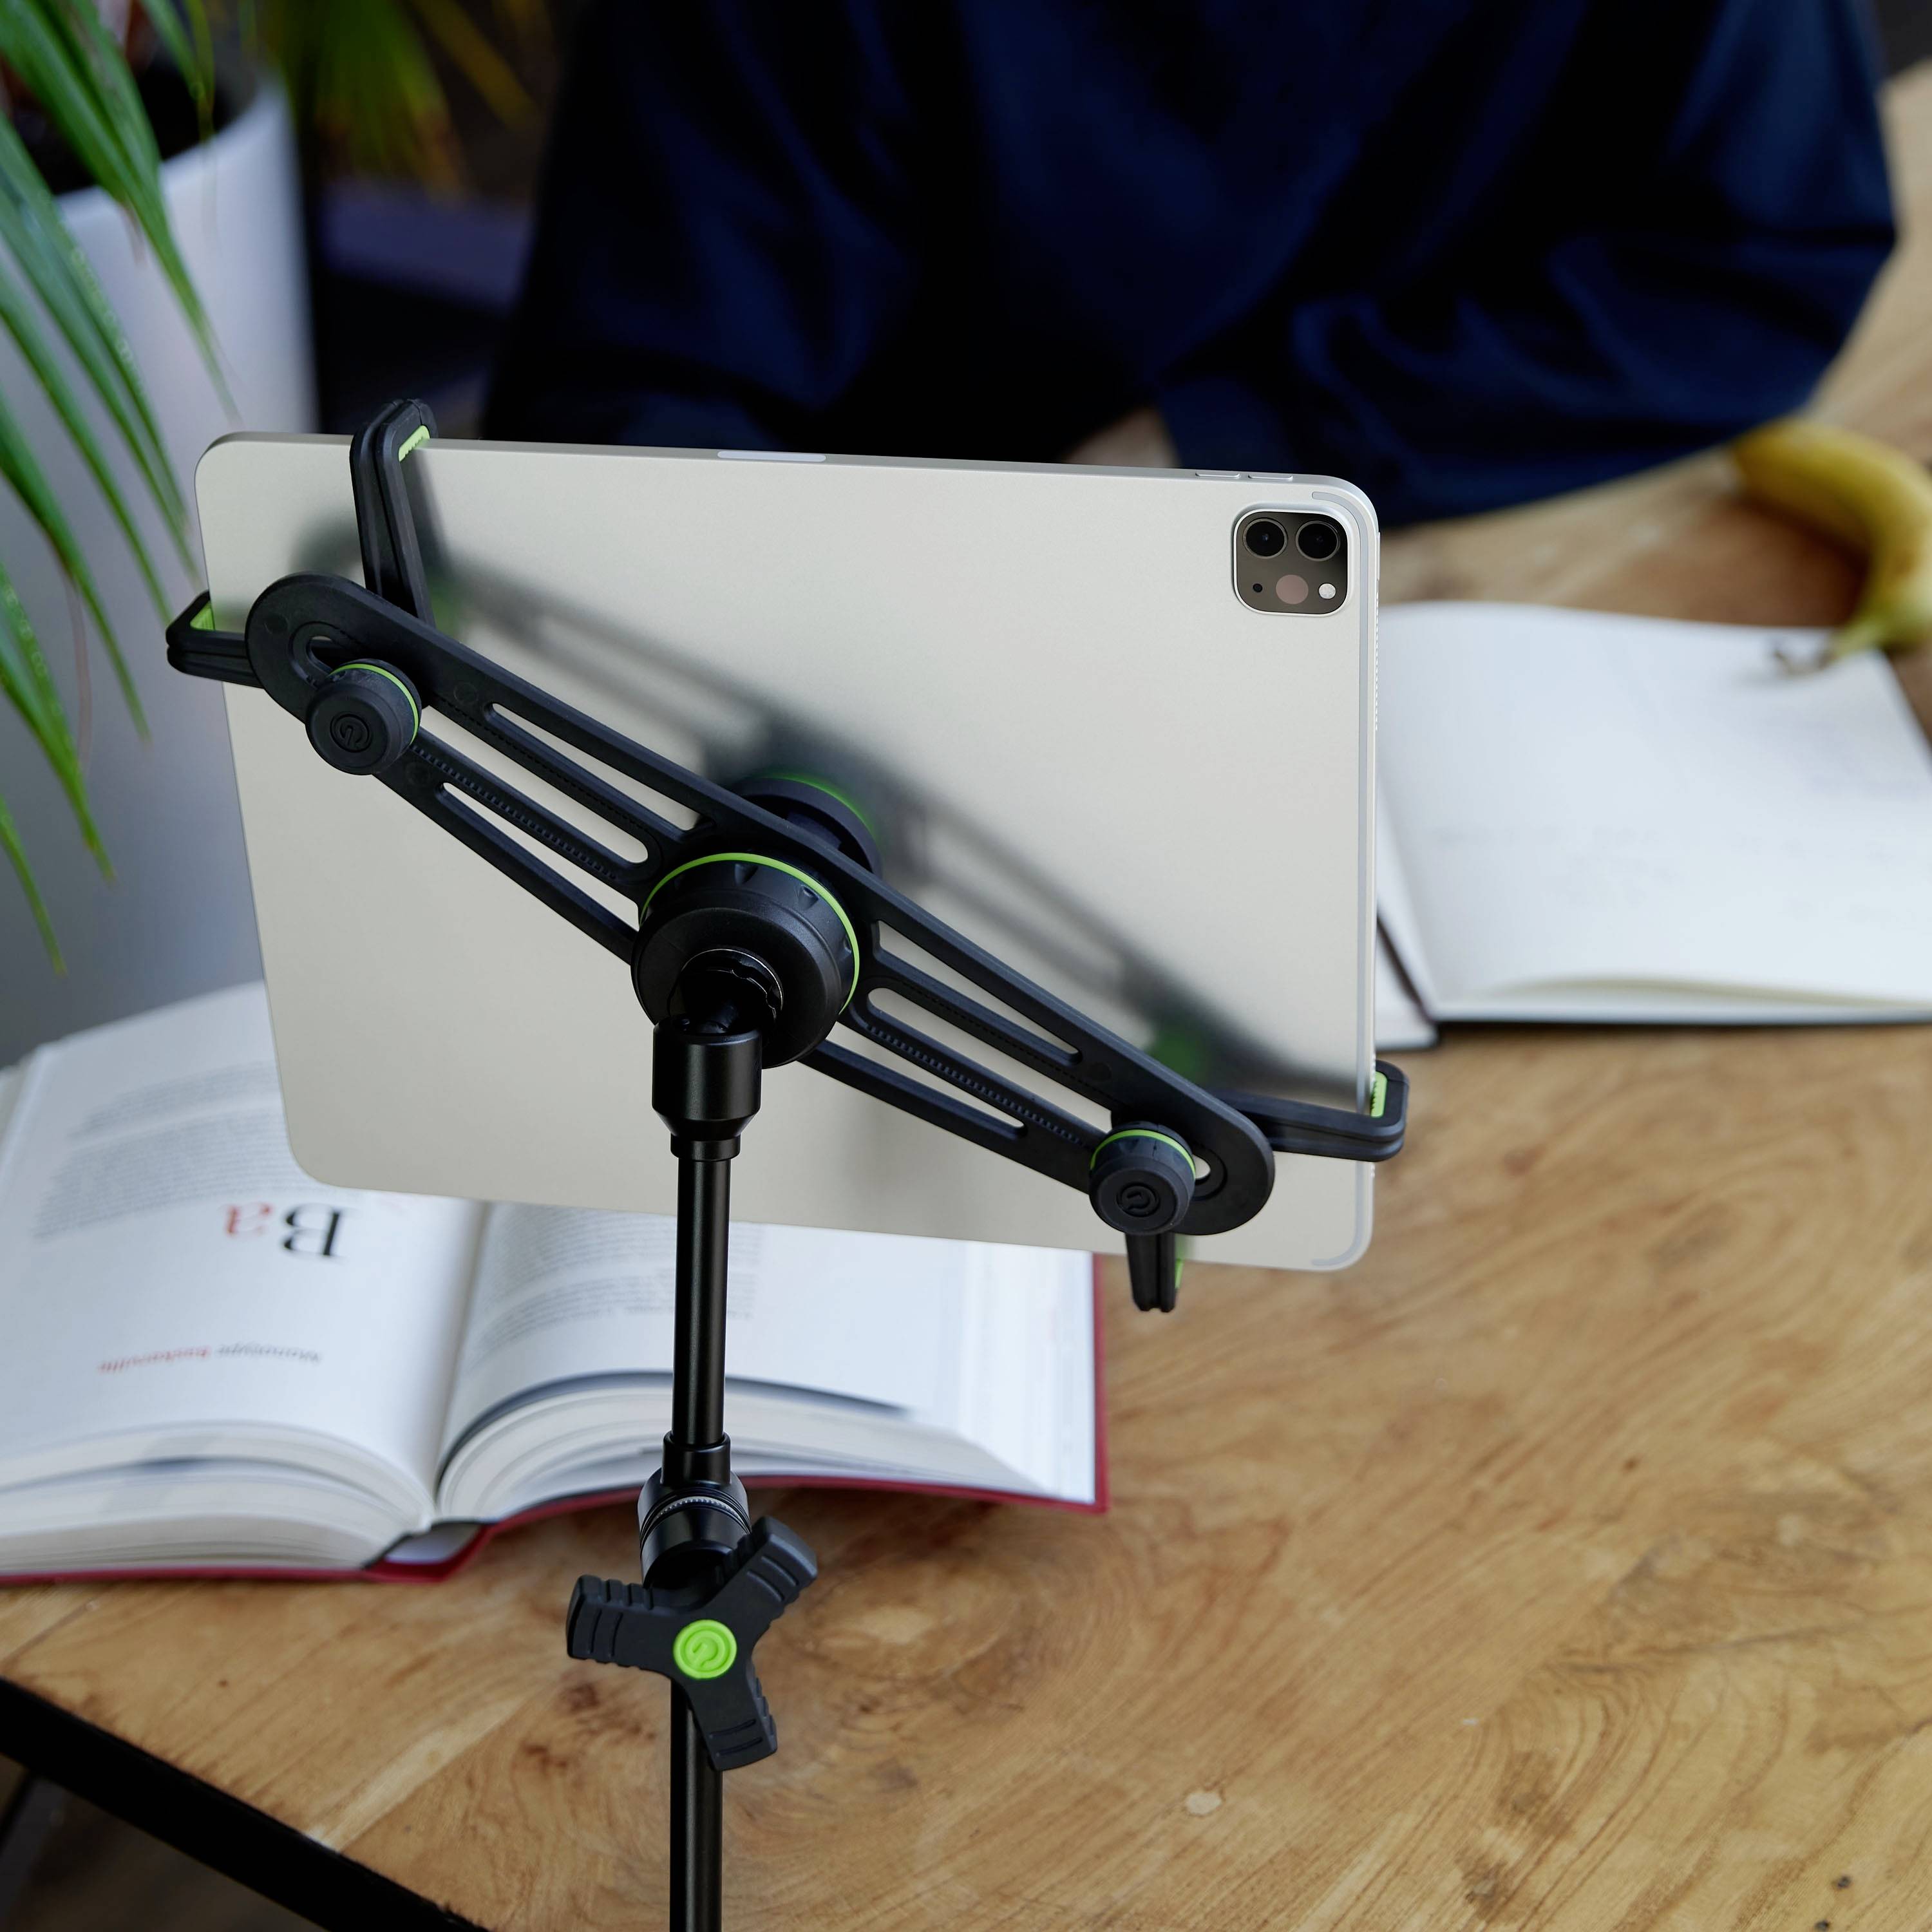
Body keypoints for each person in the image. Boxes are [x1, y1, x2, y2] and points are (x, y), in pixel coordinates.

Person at [486, 0, 1895, 527]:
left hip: (1454, 593)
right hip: (896, 611)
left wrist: (1229, 440)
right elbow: (618, 428)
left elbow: (1771, 244)